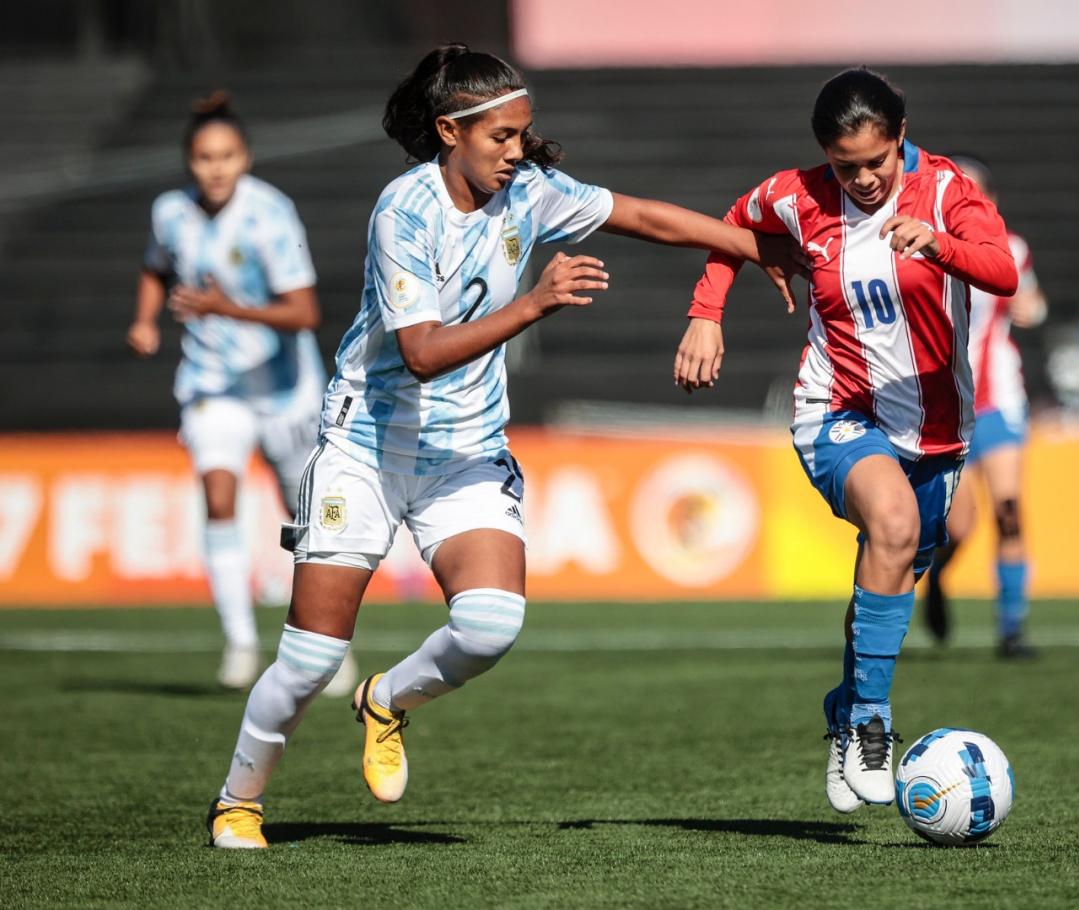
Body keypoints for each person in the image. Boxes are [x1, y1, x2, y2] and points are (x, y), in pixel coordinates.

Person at [205, 44, 797, 849]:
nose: (517, 151)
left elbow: (646, 218)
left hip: (466, 450)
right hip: (368, 448)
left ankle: (386, 700)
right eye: (501, 138)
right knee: (309, 660)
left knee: (489, 625)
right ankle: (238, 800)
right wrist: (537, 303)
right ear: (449, 131)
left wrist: (757, 248)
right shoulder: (402, 212)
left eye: (523, 135)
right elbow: (420, 352)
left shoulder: (531, 193)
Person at [673, 68, 1016, 813]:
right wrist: (707, 311)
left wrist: (940, 245)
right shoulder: (796, 196)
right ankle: (870, 722)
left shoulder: (948, 190)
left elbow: (1001, 271)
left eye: (875, 162)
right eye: (843, 165)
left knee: (890, 566)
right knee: (888, 526)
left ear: (900, 137)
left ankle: (848, 705)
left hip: (935, 430)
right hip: (835, 407)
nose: (861, 179)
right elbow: (734, 220)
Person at [127, 92, 357, 695]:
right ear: (189, 162)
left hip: (285, 388)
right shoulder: (170, 212)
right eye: (205, 157)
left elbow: (305, 312)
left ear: (246, 158)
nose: (216, 168)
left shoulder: (270, 215)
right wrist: (145, 319)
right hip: (212, 385)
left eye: (227, 155)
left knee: (305, 517)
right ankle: (240, 642)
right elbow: (156, 267)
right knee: (219, 496)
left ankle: (331, 644)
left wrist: (222, 307)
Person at [923, 155, 1048, 659]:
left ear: (989, 202)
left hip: (998, 400)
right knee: (958, 527)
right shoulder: (924, 249)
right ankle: (936, 578)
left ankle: (1012, 628)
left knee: (1010, 511)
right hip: (945, 407)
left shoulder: (1011, 250)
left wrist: (1031, 309)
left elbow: (1033, 303)